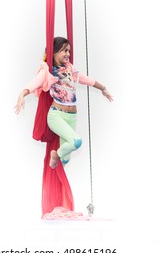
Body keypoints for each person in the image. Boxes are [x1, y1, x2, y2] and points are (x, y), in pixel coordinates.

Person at [14, 37, 113, 168]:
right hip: (57, 116)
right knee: (76, 142)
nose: (68, 54)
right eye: (64, 51)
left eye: (69, 51)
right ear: (54, 52)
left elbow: (87, 80)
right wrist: (22, 94)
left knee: (66, 160)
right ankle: (55, 154)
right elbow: (35, 82)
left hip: (72, 117)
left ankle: (59, 163)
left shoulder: (70, 69)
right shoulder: (47, 71)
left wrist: (103, 88)